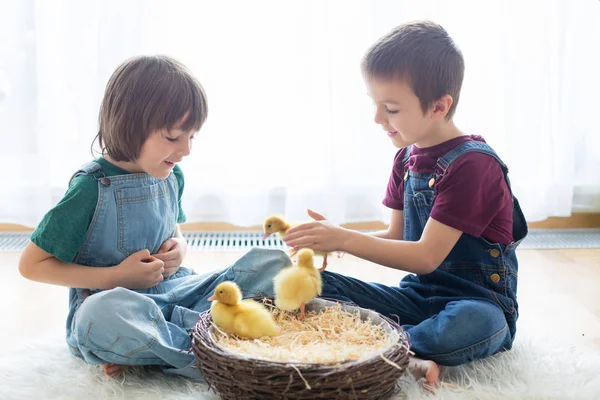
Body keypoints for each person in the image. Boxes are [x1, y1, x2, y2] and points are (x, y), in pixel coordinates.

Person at [283, 20, 528, 387]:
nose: (378, 118)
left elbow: (426, 256)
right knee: (309, 284)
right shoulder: (406, 158)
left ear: (439, 106)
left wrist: (342, 239)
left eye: (391, 108)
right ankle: (401, 350)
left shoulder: (474, 165)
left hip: (476, 303)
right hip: (417, 297)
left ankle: (377, 343)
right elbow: (397, 235)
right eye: (375, 104)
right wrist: (332, 238)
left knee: (471, 326)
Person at [18, 55, 290, 378]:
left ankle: (156, 348)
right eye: (174, 137)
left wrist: (180, 249)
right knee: (100, 318)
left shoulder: (171, 175)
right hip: (114, 307)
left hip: (177, 293)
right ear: (130, 127)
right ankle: (212, 355)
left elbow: (176, 231)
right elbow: (31, 265)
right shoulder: (89, 189)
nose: (186, 150)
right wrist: (117, 277)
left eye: (191, 137)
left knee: (274, 263)